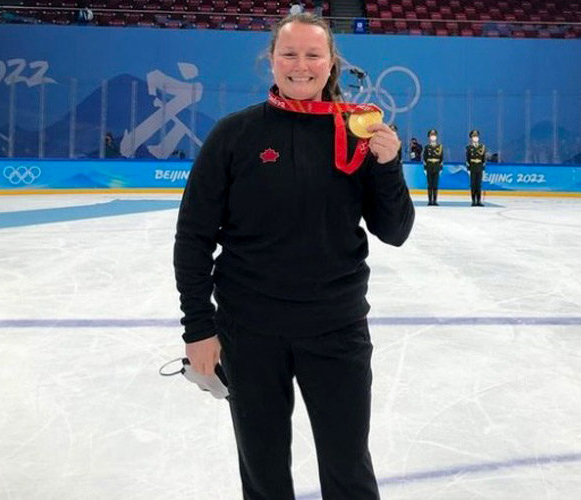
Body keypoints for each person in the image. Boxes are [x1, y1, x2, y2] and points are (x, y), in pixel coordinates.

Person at [174, 12, 414, 500]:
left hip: (336, 328)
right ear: (271, 61)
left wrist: (388, 167)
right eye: (289, 54)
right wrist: (199, 329)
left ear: (331, 65)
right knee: (262, 467)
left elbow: (395, 231)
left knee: (347, 466)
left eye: (312, 55)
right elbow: (193, 237)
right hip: (250, 332)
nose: (300, 65)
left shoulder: (358, 134)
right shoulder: (234, 135)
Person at [465, 129, 486, 206]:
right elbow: (467, 160)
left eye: (476, 136)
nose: (475, 138)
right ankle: (473, 201)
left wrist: (483, 169)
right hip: (472, 168)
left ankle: (479, 201)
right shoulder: (469, 148)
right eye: (474, 137)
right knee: (473, 185)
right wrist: (468, 169)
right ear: (471, 138)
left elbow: (483, 159)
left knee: (479, 185)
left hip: (479, 167)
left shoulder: (482, 147)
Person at [422, 128, 443, 206]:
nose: (433, 137)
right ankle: (430, 201)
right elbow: (424, 158)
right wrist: (425, 168)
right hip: (429, 167)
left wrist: (440, 168)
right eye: (431, 136)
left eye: (434, 136)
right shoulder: (427, 147)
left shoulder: (440, 147)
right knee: (430, 184)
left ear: (436, 137)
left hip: (437, 167)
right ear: (429, 137)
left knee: (435, 185)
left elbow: (441, 158)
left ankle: (435, 200)